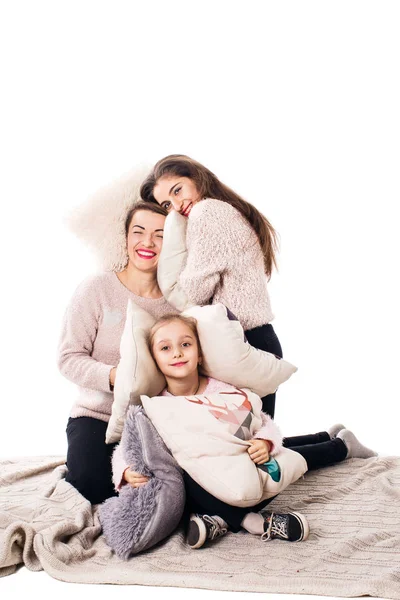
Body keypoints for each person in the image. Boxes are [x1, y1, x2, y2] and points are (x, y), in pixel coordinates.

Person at [113, 314, 377, 549]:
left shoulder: (221, 391)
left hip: (241, 462)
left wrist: (266, 442)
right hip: (205, 476)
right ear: (155, 360)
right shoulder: (158, 407)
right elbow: (128, 446)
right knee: (182, 479)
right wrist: (124, 470)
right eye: (165, 348)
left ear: (200, 353)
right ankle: (246, 520)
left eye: (185, 344)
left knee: (276, 463)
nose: (177, 353)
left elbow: (261, 423)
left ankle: (340, 446)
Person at [140, 155, 281, 418]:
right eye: (167, 204)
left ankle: (338, 447)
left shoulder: (207, 212)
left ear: (196, 177)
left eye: (178, 189)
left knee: (253, 447)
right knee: (252, 441)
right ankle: (335, 442)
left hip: (248, 342)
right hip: (250, 339)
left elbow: (194, 291)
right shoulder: (222, 209)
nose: (178, 205)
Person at [58, 202, 178, 505]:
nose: (147, 243)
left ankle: (307, 447)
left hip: (153, 423)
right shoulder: (96, 288)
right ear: (126, 237)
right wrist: (117, 378)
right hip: (95, 416)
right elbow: (68, 357)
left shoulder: (176, 305)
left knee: (176, 485)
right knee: (90, 485)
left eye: (159, 235)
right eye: (139, 232)